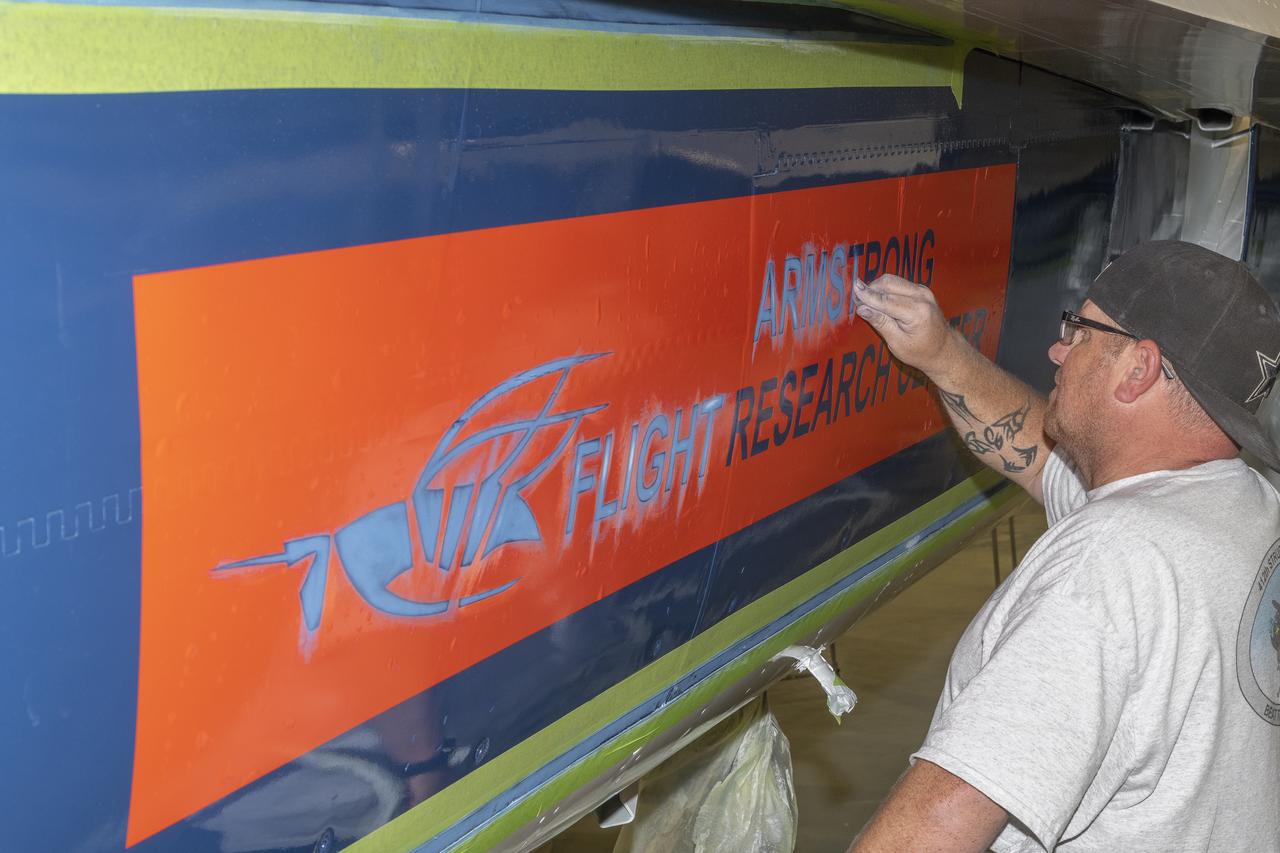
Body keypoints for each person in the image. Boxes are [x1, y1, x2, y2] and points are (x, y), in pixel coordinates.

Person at [846, 241, 1280, 852]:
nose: (1058, 348)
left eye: (1080, 331)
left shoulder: (1106, 567)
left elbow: (937, 827)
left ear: (1139, 368)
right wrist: (942, 354)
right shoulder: (1243, 508)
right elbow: (1039, 454)